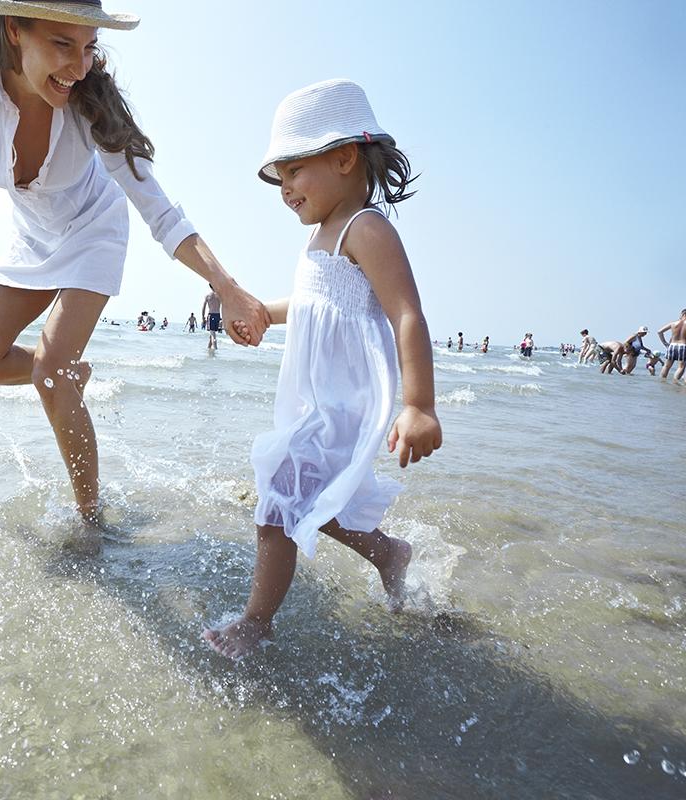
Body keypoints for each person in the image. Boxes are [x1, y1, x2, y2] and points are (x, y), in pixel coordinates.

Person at [0, 1, 268, 525]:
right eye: (62, 45)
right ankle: (65, 374)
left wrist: (228, 287)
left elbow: (160, 211)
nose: (79, 68)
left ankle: (90, 519)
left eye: (89, 48)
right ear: (14, 29)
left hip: (95, 228)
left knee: (49, 371)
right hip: (32, 236)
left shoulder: (91, 102)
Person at [203, 79, 442, 658]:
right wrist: (262, 314)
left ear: (343, 157)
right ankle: (389, 553)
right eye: (279, 178)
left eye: (293, 171)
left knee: (280, 497)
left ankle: (257, 622)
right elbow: (312, 306)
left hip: (345, 403)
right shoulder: (318, 238)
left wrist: (419, 405)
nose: (284, 189)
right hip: (317, 401)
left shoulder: (368, 229)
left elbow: (406, 313)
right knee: (308, 499)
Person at [657, 309, 686, 381]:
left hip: (672, 345)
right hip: (683, 346)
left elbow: (659, 332)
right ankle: (675, 383)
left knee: (666, 366)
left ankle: (662, 381)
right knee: (681, 367)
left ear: (683, 314)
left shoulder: (673, 323)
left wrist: (665, 343)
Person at [202, 284, 222, 350]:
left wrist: (203, 317)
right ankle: (209, 349)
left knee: (213, 335)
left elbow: (204, 307)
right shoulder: (220, 296)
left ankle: (215, 348)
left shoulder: (208, 296)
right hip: (218, 316)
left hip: (211, 315)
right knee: (212, 334)